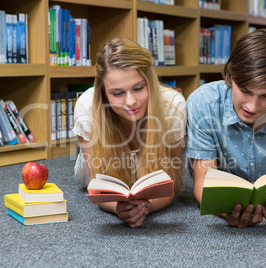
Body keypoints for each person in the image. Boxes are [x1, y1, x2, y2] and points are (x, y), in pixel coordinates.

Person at [186, 29, 266, 228]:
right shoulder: (203, 102)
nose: (252, 107)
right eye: (245, 91)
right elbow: (202, 182)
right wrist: (224, 211)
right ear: (230, 78)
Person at [73, 37, 187, 228]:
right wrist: (118, 207)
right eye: (117, 93)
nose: (131, 102)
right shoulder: (86, 105)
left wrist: (146, 206)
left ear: (150, 81)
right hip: (98, 170)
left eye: (138, 88)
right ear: (103, 93)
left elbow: (170, 186)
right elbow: (98, 186)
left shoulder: (173, 105)